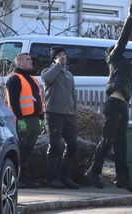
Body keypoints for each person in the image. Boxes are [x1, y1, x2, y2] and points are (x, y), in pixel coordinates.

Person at [85, 3, 132, 193]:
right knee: (107, 141)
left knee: (121, 144)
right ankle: (93, 172)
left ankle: (122, 178)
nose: (118, 49)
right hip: (113, 103)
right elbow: (122, 41)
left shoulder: (129, 67)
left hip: (122, 105)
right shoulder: (114, 58)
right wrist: (130, 18)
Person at [41, 46, 80, 189]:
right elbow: (47, 79)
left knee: (73, 145)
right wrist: (57, 65)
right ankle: (54, 178)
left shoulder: (69, 75)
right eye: (60, 55)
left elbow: (72, 94)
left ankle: (66, 177)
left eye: (64, 54)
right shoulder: (49, 71)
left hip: (68, 115)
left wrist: (74, 111)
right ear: (54, 58)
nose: (63, 57)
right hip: (54, 114)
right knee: (55, 147)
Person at [6, 53, 44, 188]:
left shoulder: (32, 79)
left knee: (29, 149)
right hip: (22, 120)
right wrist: (20, 119)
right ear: (20, 63)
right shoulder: (14, 79)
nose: (31, 61)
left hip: (33, 119)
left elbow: (38, 99)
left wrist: (41, 117)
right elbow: (13, 101)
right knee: (21, 149)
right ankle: (18, 178)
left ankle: (25, 176)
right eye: (28, 60)